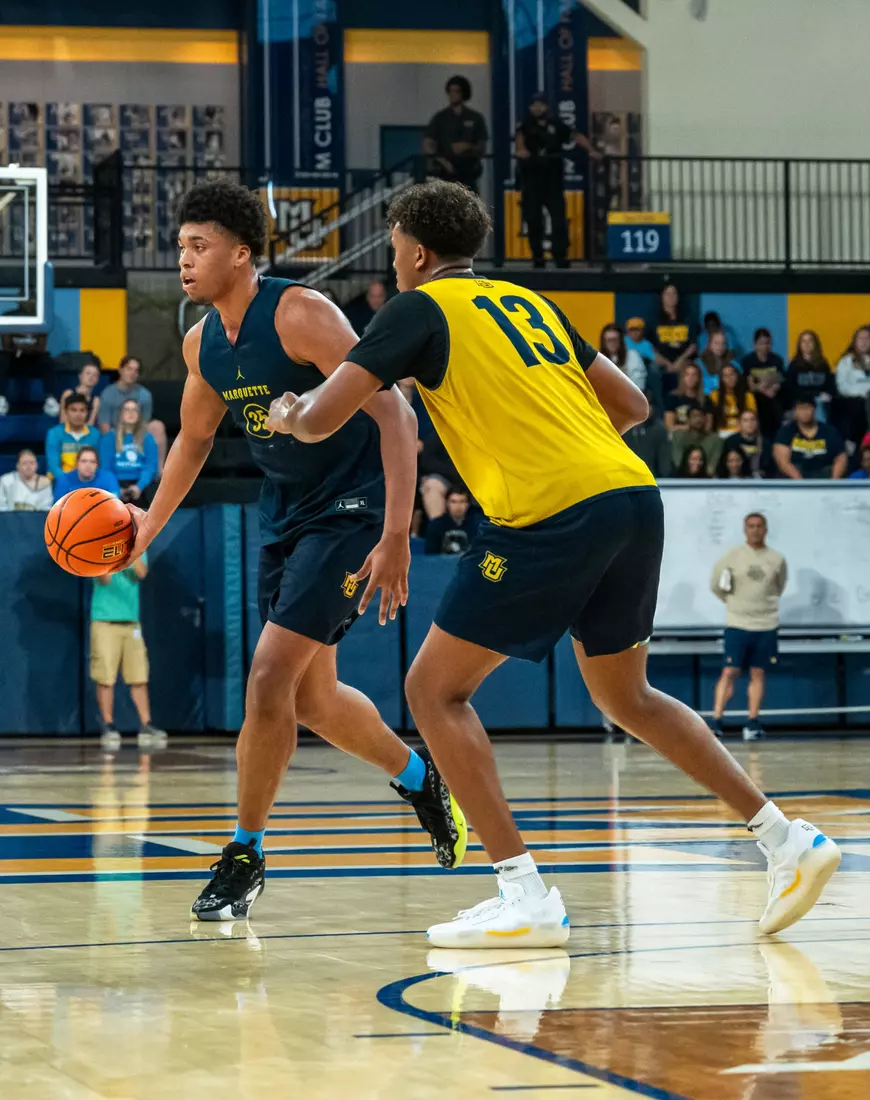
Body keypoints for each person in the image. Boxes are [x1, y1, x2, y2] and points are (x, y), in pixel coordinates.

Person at [267, 179, 839, 945]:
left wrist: (287, 413)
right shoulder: (526, 301)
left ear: (415, 248)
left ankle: (523, 891)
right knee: (626, 696)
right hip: (632, 497)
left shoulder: (415, 308)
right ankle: (785, 840)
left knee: (433, 691)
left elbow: (326, 415)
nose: (394, 254)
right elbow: (633, 406)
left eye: (396, 239)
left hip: (550, 511)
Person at [121, 179, 466, 922]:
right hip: (282, 517)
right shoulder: (200, 341)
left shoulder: (301, 313)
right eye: (180, 246)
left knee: (270, 676)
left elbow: (395, 412)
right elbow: (193, 441)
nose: (183, 259)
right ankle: (418, 777)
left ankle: (244, 854)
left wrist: (397, 533)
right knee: (312, 700)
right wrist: (145, 525)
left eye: (198, 246)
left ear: (241, 254)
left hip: (348, 511)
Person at [710, 514, 787, 742]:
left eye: (759, 526)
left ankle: (752, 722)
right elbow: (715, 584)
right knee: (729, 672)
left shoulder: (776, 559)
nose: (755, 530)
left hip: (766, 624)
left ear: (766, 529)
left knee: (758, 672)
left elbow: (778, 586)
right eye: (751, 526)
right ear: (745, 530)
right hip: (738, 623)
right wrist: (733, 603)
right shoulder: (733, 556)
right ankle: (716, 721)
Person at [90, 553, 166, 750]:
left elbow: (141, 572)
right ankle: (108, 726)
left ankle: (146, 725)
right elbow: (104, 579)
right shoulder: (97, 547)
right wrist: (111, 555)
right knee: (105, 676)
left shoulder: (138, 546)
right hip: (104, 620)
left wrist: (127, 552)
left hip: (131, 621)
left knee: (139, 676)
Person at [514, 92, 599, 268]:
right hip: (532, 178)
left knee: (559, 219)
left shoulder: (556, 124)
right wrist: (522, 152)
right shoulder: (525, 125)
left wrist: (591, 150)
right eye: (534, 105)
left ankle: (560, 255)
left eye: (541, 104)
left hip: (553, 180)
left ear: (546, 107)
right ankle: (538, 257)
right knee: (534, 220)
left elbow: (575, 136)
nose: (537, 108)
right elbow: (519, 143)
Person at [98, 355, 168, 469]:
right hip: (116, 432)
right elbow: (104, 424)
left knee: (157, 426)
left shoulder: (144, 395)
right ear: (121, 370)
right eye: (129, 369)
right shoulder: (108, 393)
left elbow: (145, 422)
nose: (132, 373)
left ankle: (159, 471)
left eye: (136, 371)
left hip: (137, 431)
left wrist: (133, 437)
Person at [423, 75, 488, 192]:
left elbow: (482, 145)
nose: (452, 95)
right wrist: (442, 160)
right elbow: (427, 143)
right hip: (445, 170)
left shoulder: (475, 117)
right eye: (450, 91)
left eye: (456, 91)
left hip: (469, 170)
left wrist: (467, 146)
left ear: (463, 93)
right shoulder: (440, 118)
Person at [0, 303, 58, 417]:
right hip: (14, 358)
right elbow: (6, 345)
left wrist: (20, 347)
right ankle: (1, 397)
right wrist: (28, 347)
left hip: (33, 358)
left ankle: (50, 399)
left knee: (47, 359)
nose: (30, 302)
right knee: (2, 357)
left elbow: (41, 347)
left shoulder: (42, 317)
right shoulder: (9, 316)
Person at [99, 398, 159, 503]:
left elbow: (150, 466)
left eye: (135, 410)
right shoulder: (109, 438)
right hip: (115, 482)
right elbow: (105, 467)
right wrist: (116, 488)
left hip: (141, 484)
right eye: (127, 410)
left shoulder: (148, 438)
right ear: (120, 414)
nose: (131, 413)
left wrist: (139, 487)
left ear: (139, 414)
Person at [773, 398, 848, 480]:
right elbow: (782, 461)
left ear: (814, 409)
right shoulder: (786, 431)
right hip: (795, 474)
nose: (804, 412)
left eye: (807, 408)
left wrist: (834, 481)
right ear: (795, 411)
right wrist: (800, 482)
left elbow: (841, 457)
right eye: (800, 409)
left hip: (824, 473)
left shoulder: (829, 431)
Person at [835, 326, 870, 445]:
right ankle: (856, 442)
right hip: (853, 400)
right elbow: (842, 386)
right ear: (855, 341)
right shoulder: (846, 361)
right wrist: (862, 393)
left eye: (867, 338)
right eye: (861, 338)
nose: (864, 342)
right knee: (858, 407)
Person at [45, 394, 101, 481]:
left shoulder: (95, 434)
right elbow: (53, 465)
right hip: (61, 481)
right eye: (73, 410)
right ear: (66, 412)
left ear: (87, 413)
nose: (78, 414)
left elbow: (99, 465)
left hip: (89, 482)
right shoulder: (54, 433)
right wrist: (70, 482)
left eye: (82, 410)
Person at [650, 284, 697, 384]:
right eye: (668, 294)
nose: (671, 297)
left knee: (690, 370)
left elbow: (693, 345)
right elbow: (650, 346)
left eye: (674, 293)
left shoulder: (687, 319)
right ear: (662, 297)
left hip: (683, 360)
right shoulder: (655, 320)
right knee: (653, 368)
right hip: (662, 361)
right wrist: (666, 362)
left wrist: (680, 361)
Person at [784, 331, 835, 421]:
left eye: (810, 341)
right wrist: (815, 394)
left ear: (815, 343)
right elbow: (791, 389)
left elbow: (830, 386)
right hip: (801, 401)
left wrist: (824, 395)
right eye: (804, 341)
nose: (807, 344)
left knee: (821, 404)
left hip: (820, 402)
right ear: (800, 345)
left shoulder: (823, 364)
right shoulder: (794, 365)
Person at [622, 394, 672, 478]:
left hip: (652, 479)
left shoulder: (659, 430)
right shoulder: (623, 429)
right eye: (639, 404)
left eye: (648, 405)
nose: (643, 408)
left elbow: (664, 463)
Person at [425, 488, 482, 555]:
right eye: (453, 502)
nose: (458, 506)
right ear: (447, 503)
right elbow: (431, 555)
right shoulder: (436, 525)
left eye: (462, 501)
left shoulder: (478, 525)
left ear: (468, 504)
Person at [670, 405, 723, 475]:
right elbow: (678, 462)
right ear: (688, 419)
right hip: (682, 478)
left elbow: (712, 466)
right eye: (694, 416)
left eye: (701, 416)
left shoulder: (715, 440)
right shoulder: (678, 436)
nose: (698, 419)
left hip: (706, 479)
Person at [53, 445, 120, 500]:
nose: (88, 465)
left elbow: (114, 503)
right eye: (84, 461)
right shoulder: (64, 479)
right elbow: (58, 508)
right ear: (77, 463)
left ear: (97, 465)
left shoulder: (108, 478)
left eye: (92, 462)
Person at [709, 363, 757, 438]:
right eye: (726, 376)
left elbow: (753, 418)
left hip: (742, 433)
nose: (729, 378)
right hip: (721, 432)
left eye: (732, 375)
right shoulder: (714, 395)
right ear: (721, 379)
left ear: (737, 376)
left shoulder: (748, 396)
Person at [722, 408, 771, 478]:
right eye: (745, 420)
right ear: (739, 423)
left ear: (757, 422)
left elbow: (767, 467)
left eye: (752, 420)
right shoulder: (731, 441)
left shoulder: (765, 443)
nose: (749, 423)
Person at [665, 363, 710, 433]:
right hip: (680, 435)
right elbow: (669, 426)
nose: (690, 378)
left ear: (698, 378)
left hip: (700, 436)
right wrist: (690, 427)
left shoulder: (705, 399)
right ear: (682, 377)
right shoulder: (673, 398)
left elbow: (708, 427)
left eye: (694, 375)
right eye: (687, 375)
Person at [599, 324, 646, 391]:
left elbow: (639, 384)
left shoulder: (632, 355)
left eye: (615, 339)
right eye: (609, 340)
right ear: (604, 342)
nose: (612, 343)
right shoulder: (598, 359)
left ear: (620, 340)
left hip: (629, 396)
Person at [59, 361, 102, 426]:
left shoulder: (96, 400)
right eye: (88, 373)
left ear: (97, 380)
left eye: (95, 375)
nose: (91, 377)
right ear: (80, 375)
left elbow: (91, 426)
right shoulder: (68, 394)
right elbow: (63, 422)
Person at [699, 331, 739, 396]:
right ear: (709, 344)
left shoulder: (734, 364)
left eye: (723, 343)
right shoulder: (699, 363)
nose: (720, 346)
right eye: (716, 343)